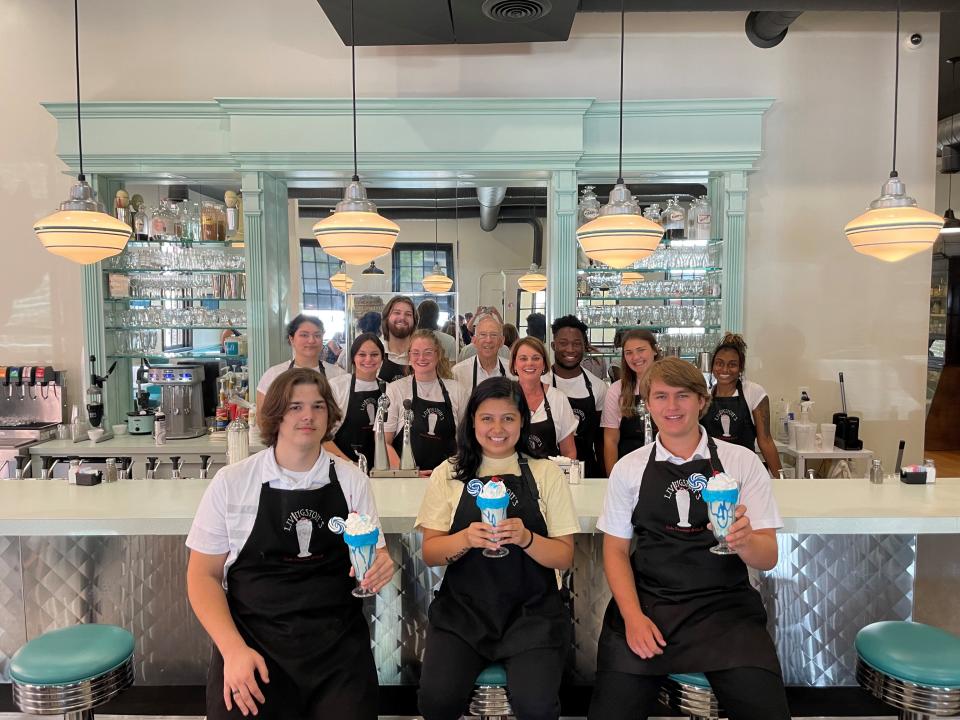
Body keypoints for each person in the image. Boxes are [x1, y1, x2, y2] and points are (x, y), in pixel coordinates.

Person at [186, 368, 395, 720]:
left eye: (317, 406)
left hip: (337, 651)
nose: (308, 416)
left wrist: (381, 563)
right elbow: (201, 576)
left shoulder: (351, 480)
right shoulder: (232, 483)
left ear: (329, 415)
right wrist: (233, 651)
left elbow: (373, 552)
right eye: (295, 407)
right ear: (276, 415)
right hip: (254, 646)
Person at [587, 358, 789, 720]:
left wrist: (745, 543)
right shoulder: (629, 468)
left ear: (702, 401)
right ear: (647, 404)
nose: (672, 406)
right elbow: (615, 551)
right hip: (650, 604)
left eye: (683, 396)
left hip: (725, 611)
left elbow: (769, 556)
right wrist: (632, 617)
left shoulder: (741, 463)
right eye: (661, 396)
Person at [415, 376, 579, 720]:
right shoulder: (448, 473)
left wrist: (527, 539)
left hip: (532, 615)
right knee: (437, 702)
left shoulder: (546, 473)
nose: (497, 429)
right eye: (486, 418)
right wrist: (465, 539)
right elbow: (430, 553)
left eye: (508, 418)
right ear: (472, 421)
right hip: (464, 613)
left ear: (522, 420)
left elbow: (564, 556)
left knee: (536, 708)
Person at [384, 330, 470, 474]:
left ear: (438, 355)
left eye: (428, 352)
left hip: (447, 477)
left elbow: (466, 440)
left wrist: (453, 471)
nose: (421, 358)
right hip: (406, 479)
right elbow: (384, 442)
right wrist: (408, 474)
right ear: (409, 356)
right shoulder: (395, 389)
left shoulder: (456, 390)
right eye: (416, 353)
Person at [703, 334, 782, 477]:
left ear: (740, 368)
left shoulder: (753, 392)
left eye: (732, 364)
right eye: (719, 363)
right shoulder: (705, 395)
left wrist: (782, 480)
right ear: (713, 366)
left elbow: (765, 441)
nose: (725, 369)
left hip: (745, 471)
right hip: (712, 473)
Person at [547, 315, 608, 477]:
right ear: (553, 346)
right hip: (548, 470)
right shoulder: (542, 383)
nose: (570, 349)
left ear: (585, 347)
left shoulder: (597, 387)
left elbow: (601, 440)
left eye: (576, 344)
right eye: (563, 343)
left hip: (588, 470)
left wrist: (606, 477)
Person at [601, 329, 660, 476]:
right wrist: (612, 479)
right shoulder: (616, 390)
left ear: (654, 350)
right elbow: (610, 440)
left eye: (641, 350)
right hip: (629, 470)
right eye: (629, 353)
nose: (635, 357)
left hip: (667, 468)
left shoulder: (671, 385)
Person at [324, 333, 387, 469]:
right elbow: (322, 437)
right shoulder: (337, 386)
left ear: (382, 358)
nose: (368, 359)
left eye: (374, 354)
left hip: (382, 470)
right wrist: (350, 465)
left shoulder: (388, 388)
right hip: (343, 467)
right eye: (362, 355)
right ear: (353, 357)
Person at [256, 315, 346, 408]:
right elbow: (262, 419)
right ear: (292, 339)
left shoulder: (339, 375)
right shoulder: (273, 375)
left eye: (317, 335)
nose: (311, 340)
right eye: (304, 335)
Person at [511, 337, 577, 460]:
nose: (529, 363)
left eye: (536, 358)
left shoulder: (558, 399)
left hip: (549, 476)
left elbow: (569, 452)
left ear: (544, 364)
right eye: (523, 358)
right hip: (513, 476)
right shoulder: (504, 398)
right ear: (515, 364)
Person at [452, 313, 515, 390]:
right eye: (483, 335)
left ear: (502, 341)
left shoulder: (512, 371)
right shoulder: (458, 372)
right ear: (474, 341)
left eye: (493, 335)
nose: (488, 340)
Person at [379, 296, 418, 383]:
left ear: (414, 321)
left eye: (408, 314)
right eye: (397, 313)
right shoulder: (376, 353)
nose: (402, 318)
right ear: (387, 318)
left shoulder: (420, 355)